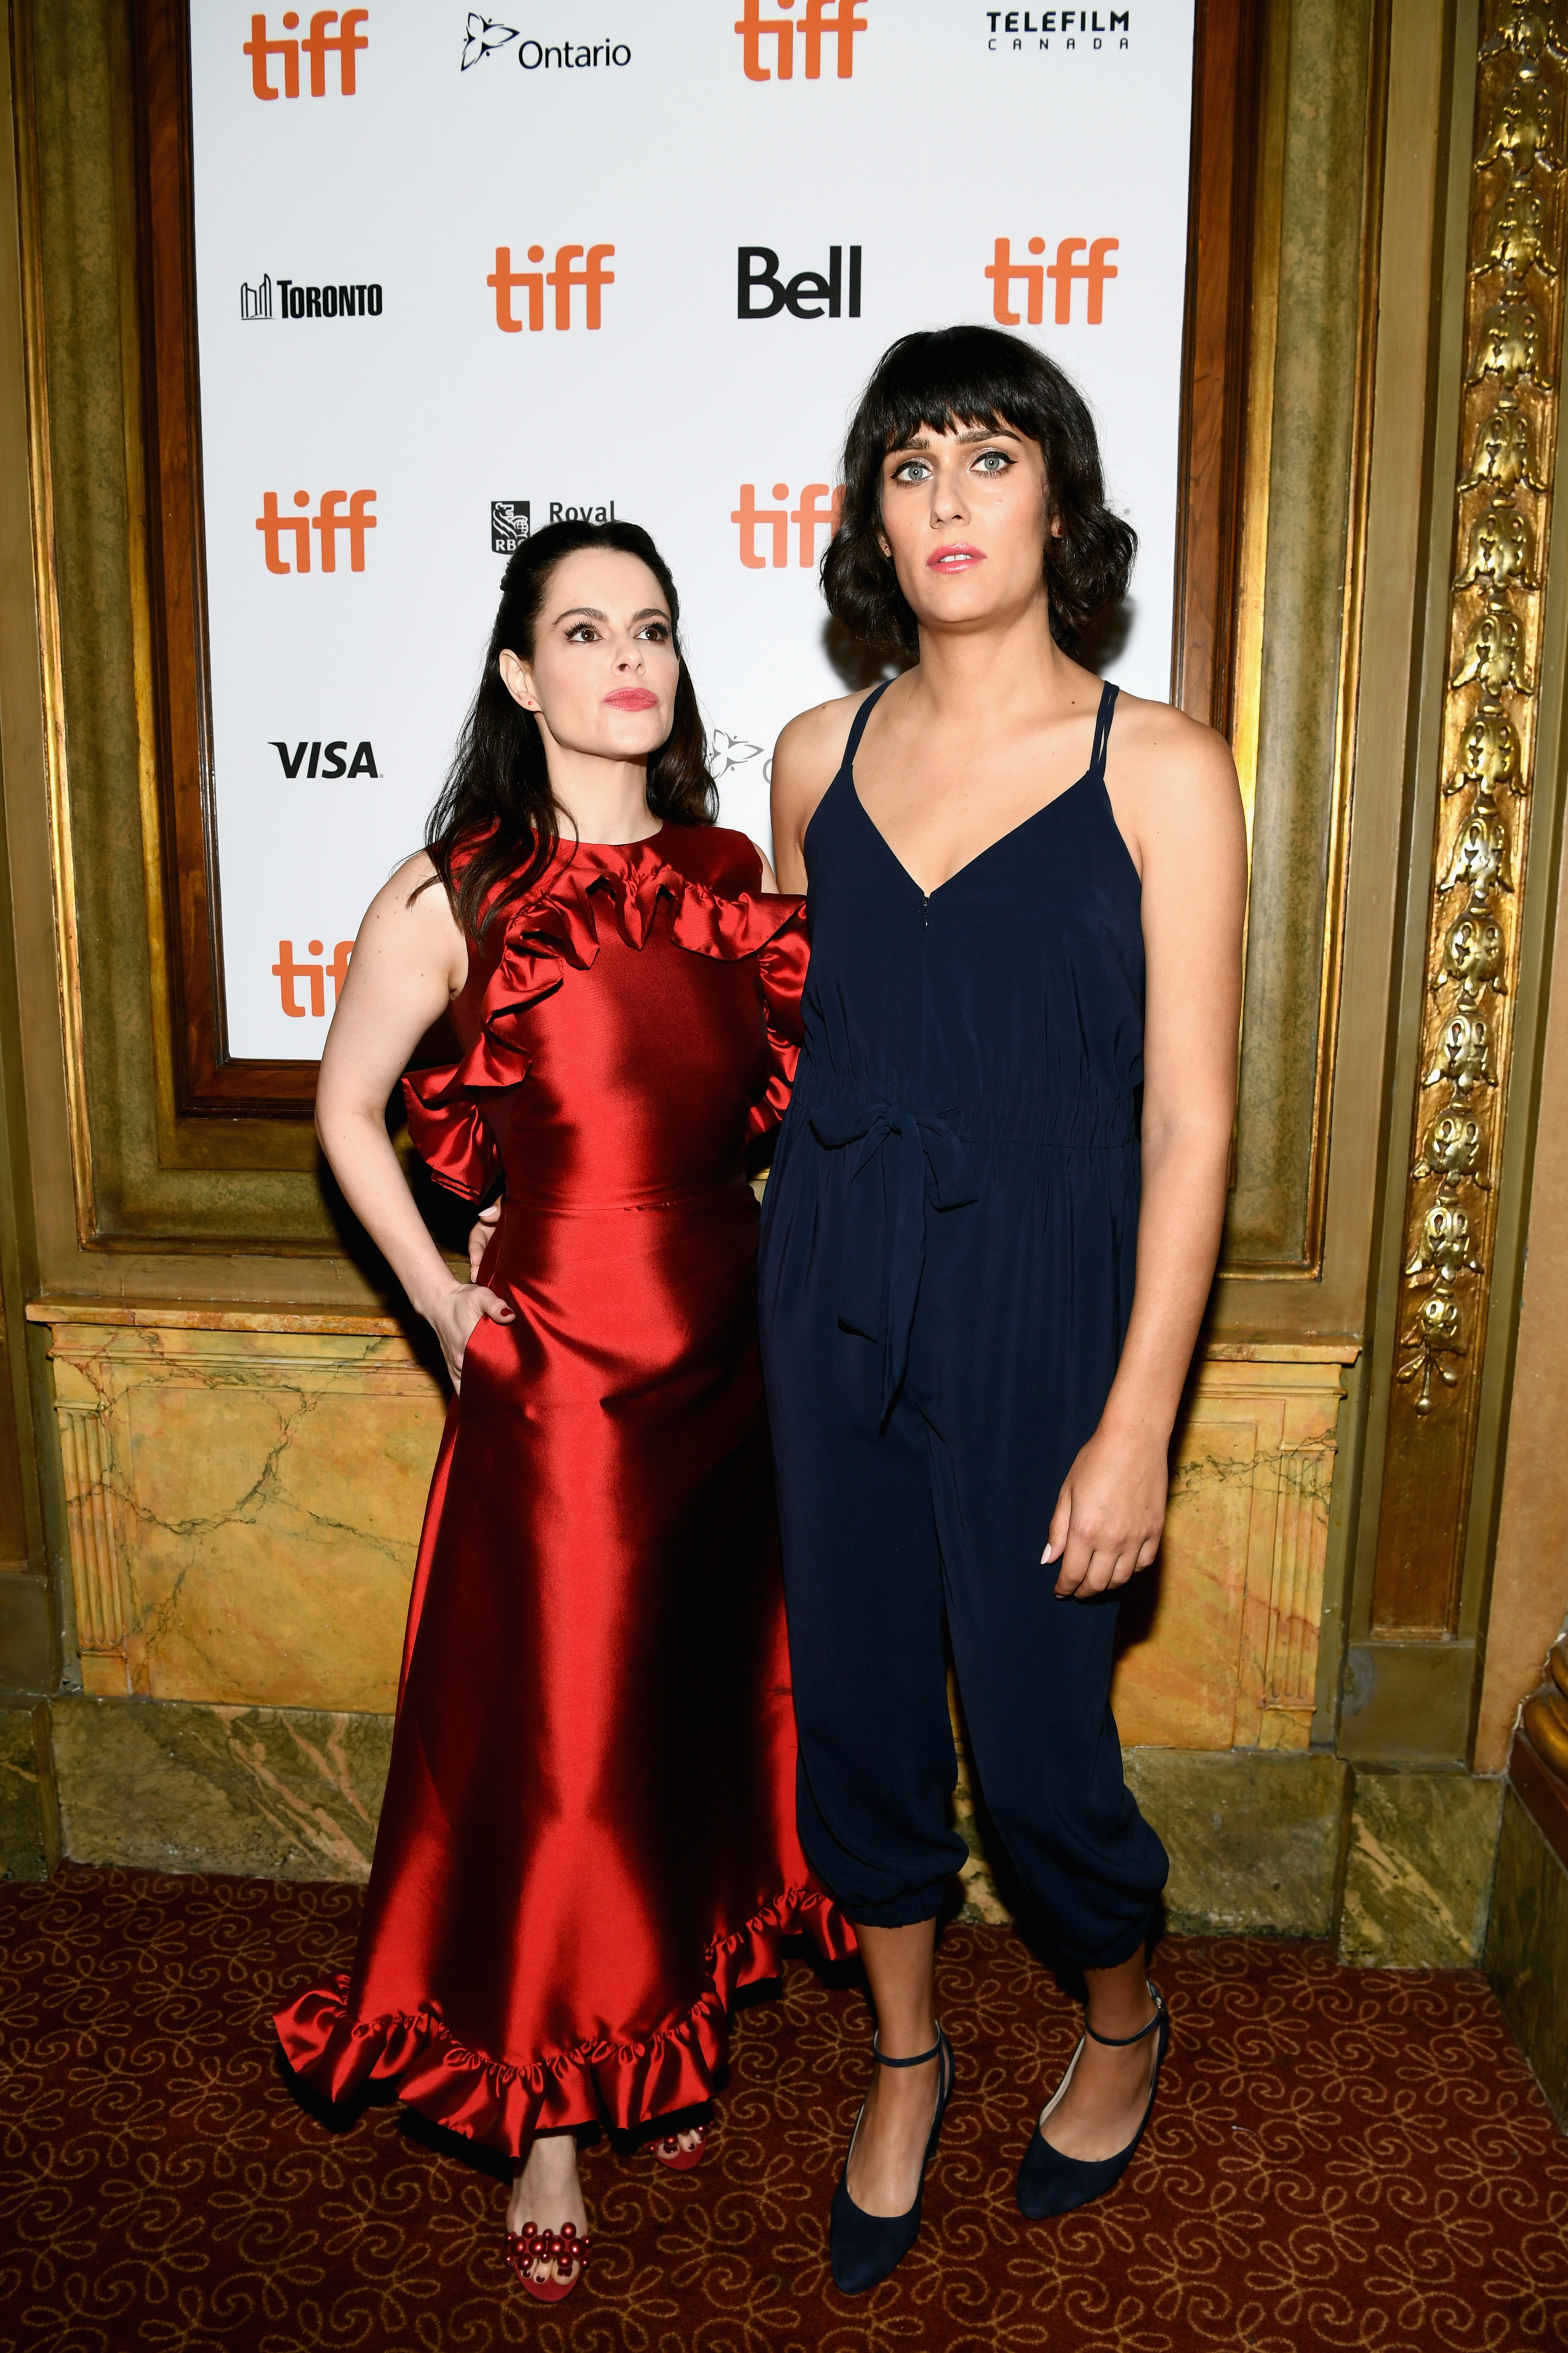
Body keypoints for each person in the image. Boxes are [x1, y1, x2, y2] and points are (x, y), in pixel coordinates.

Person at [275, 518, 850, 2304]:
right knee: (569, 1753)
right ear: (519, 673)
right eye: (585, 628)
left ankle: (654, 2033)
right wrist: (447, 1299)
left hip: (725, 1368)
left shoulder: (725, 871)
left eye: (654, 628)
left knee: (684, 1722)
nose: (629, 657)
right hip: (567, 1392)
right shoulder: (453, 892)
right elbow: (347, 1112)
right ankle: (544, 2114)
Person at [761, 324, 1247, 2294]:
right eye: (910, 466)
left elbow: (1196, 1123)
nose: (950, 500)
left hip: (1055, 1290)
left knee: (1046, 1752)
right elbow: (772, 1065)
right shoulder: (818, 757)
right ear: (874, 514)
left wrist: (1137, 1419)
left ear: (1059, 495)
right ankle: (906, 2055)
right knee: (861, 1721)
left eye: (989, 456)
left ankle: (1118, 2013)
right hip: (833, 1282)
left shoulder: (1167, 766)